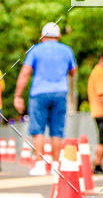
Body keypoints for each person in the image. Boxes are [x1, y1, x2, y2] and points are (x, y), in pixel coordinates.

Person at [13, 22, 77, 175]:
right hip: (60, 92)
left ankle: (40, 164)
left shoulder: (35, 50)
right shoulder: (66, 50)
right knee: (57, 130)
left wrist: (18, 95)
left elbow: (25, 73)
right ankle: (55, 165)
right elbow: (73, 71)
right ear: (59, 36)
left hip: (39, 93)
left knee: (38, 130)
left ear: (42, 37)